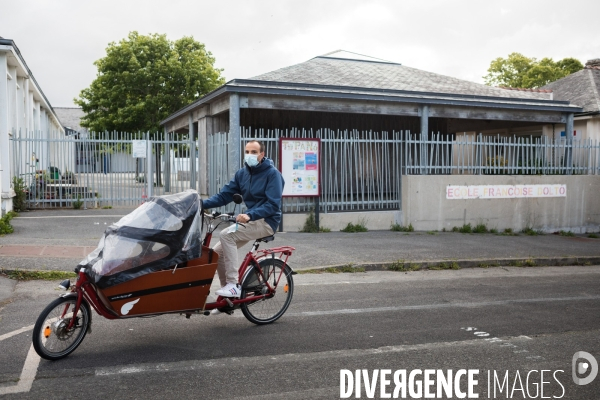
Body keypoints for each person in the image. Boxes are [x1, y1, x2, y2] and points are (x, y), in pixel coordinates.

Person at [202, 140, 284, 298]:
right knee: (216, 253)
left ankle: (233, 285)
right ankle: (228, 297)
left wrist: (250, 215)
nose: (250, 155)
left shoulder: (273, 174)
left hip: (267, 221)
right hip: (252, 220)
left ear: (262, 154)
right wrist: (201, 204)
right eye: (247, 152)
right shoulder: (242, 174)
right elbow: (225, 195)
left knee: (226, 235)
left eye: (254, 152)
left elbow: (273, 204)